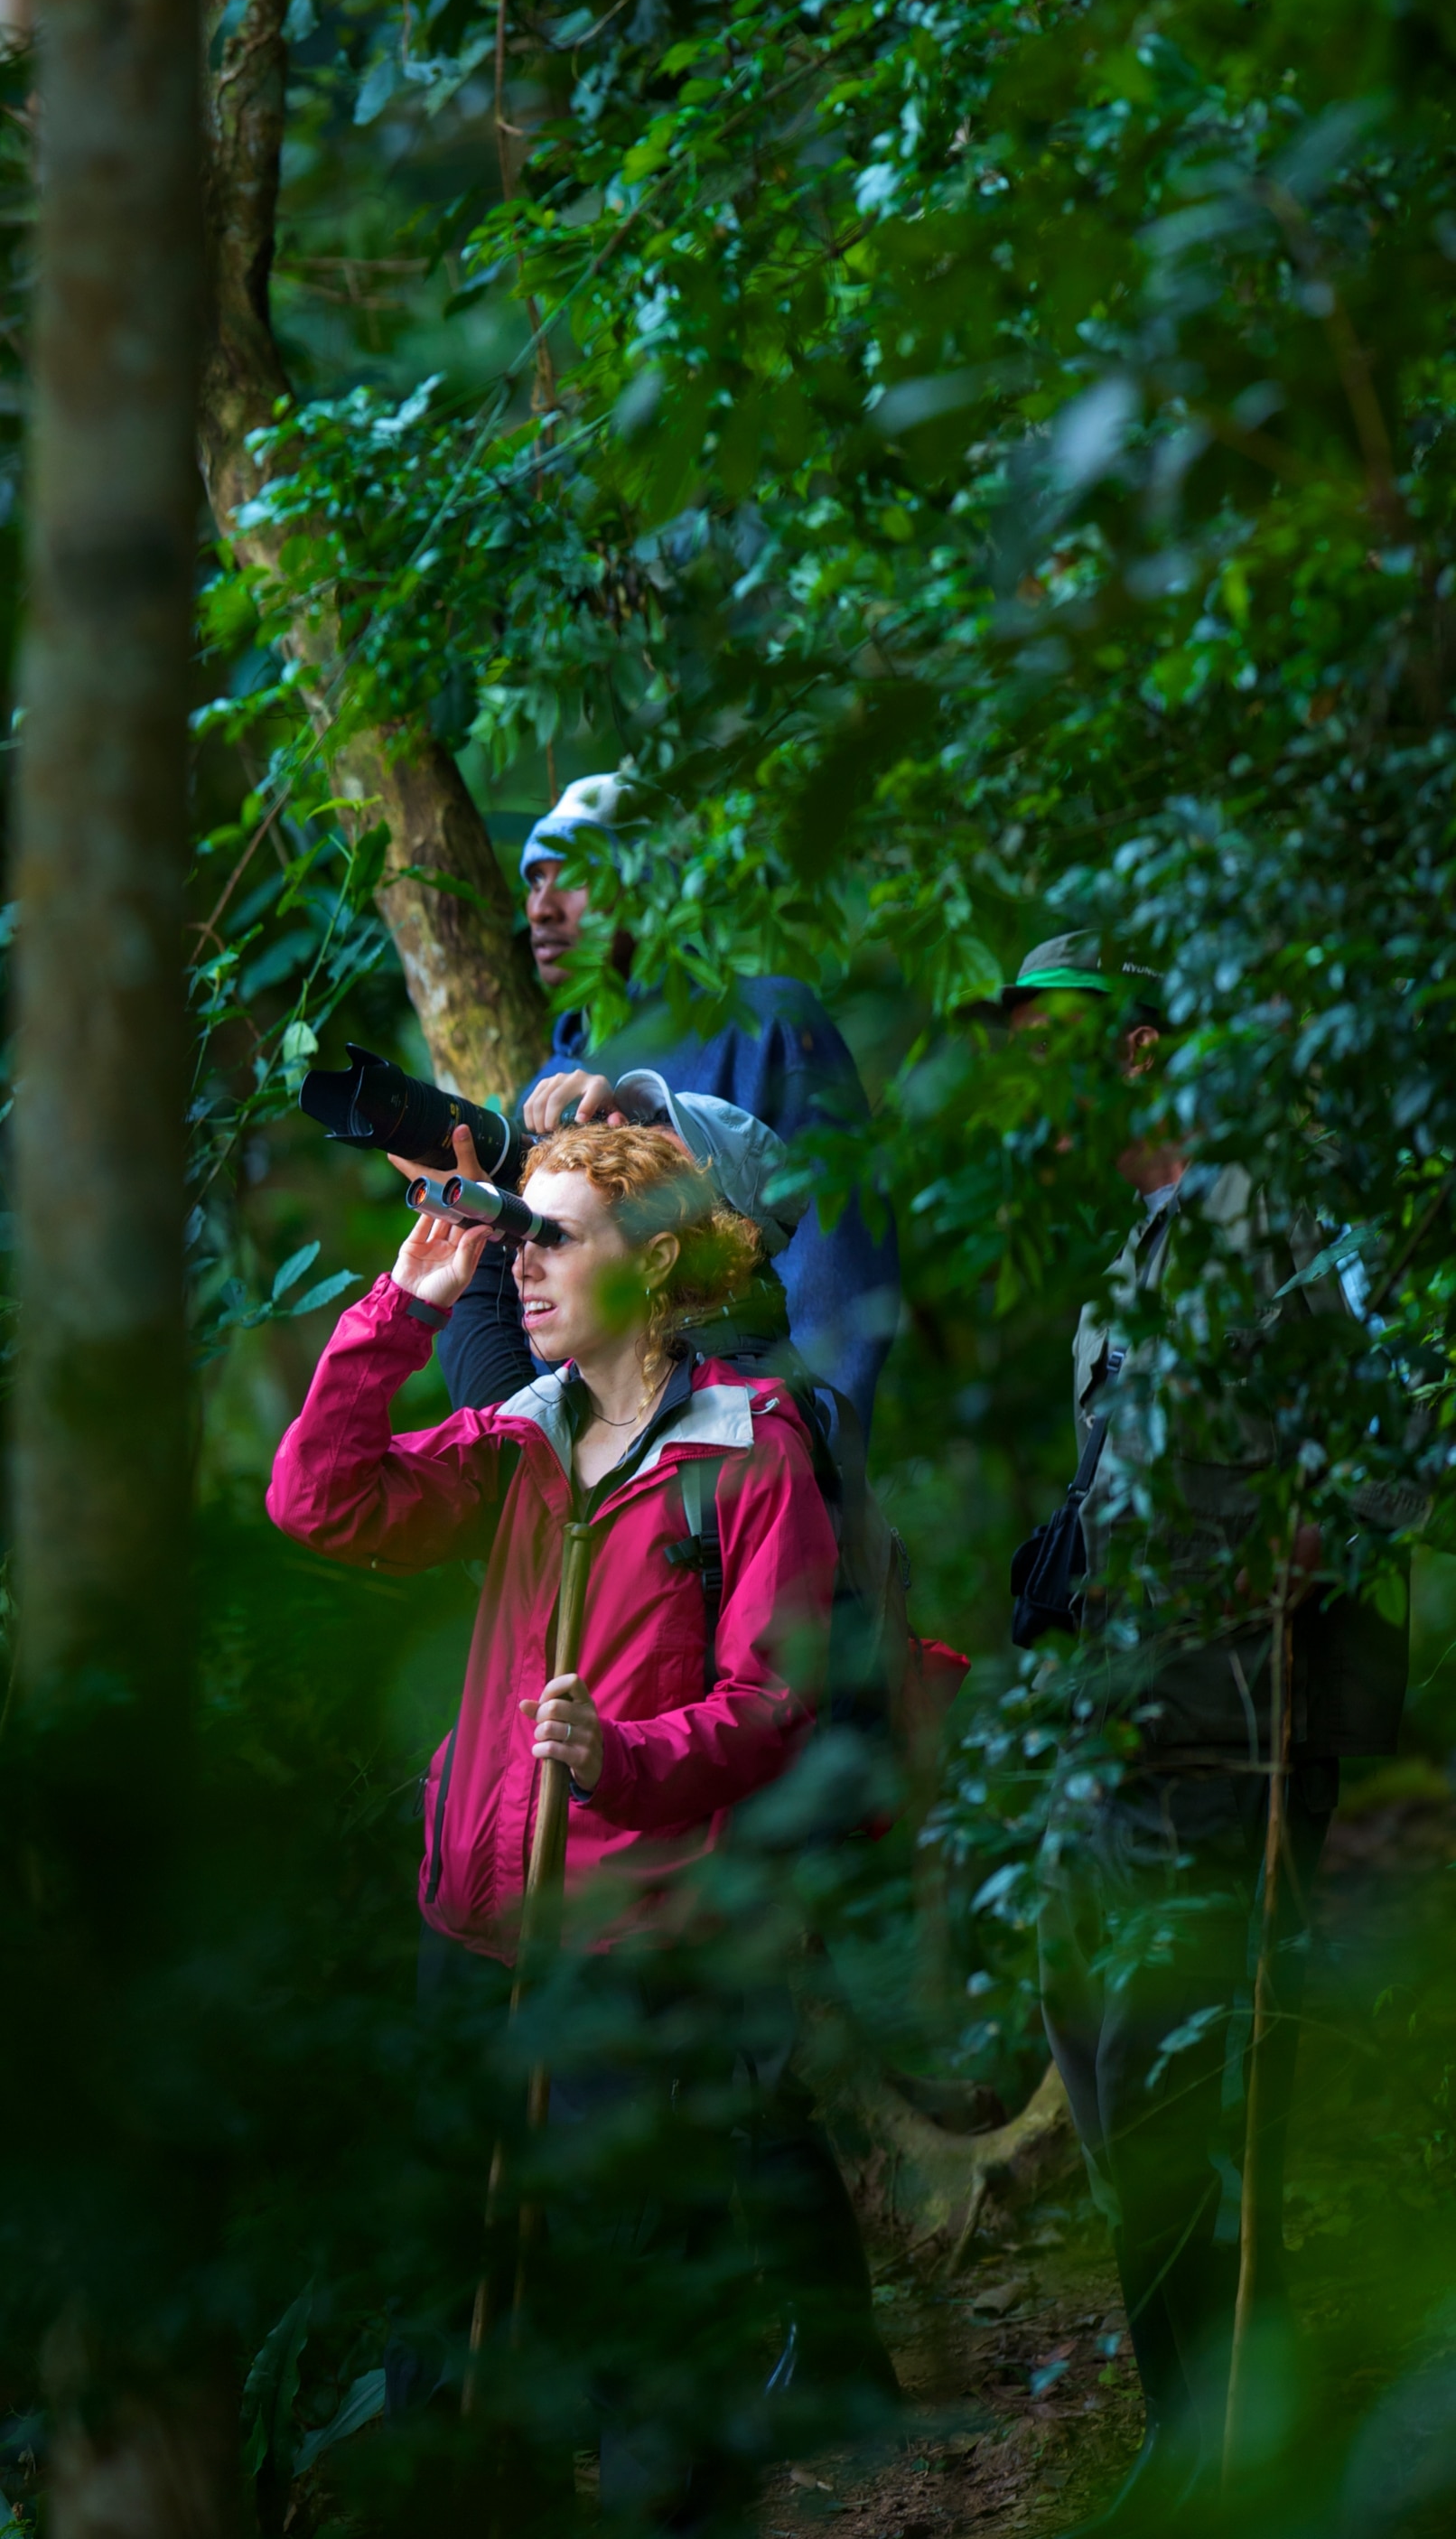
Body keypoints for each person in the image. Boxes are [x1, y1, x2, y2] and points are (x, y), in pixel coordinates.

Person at [266, 1120, 901, 2516]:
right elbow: (315, 1500)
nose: (521, 1267)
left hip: (635, 1962)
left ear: (656, 1259)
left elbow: (774, 1697)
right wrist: (403, 1307)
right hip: (474, 1945)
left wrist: (625, 1758)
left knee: (639, 2348)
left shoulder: (750, 1448)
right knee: (452, 2333)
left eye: (551, 1239)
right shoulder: (519, 1441)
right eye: (520, 1237)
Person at [1002, 934, 1417, 2529]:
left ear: (1136, 1049)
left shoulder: (1270, 1207)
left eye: (1050, 1039)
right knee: (1100, 2060)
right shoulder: (1122, 1260)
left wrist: (1327, 1523)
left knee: (1200, 2090)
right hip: (1114, 1736)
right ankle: (1203, 2424)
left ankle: (1232, 2455)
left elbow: (1408, 1412)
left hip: (1240, 1731)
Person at [436, 775, 901, 1435]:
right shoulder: (549, 1083)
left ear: (649, 880)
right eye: (534, 880)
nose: (541, 907)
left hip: (756, 1465)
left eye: (573, 874)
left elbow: (840, 1269)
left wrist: (820, 1452)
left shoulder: (763, 1023)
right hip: (607, 1487)